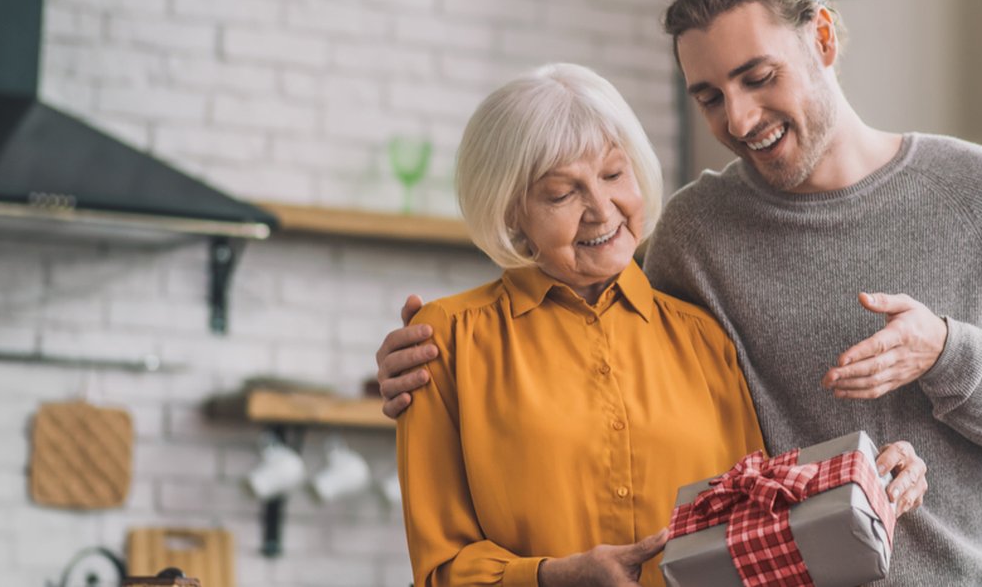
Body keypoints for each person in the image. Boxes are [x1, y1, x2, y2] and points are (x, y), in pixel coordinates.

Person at [379, 0, 982, 585]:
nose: (737, 118)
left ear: (823, 37)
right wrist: (428, 355)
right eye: (708, 95)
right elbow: (580, 305)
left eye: (758, 78)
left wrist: (949, 353)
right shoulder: (696, 232)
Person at [392, 62, 928, 587]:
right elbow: (441, 568)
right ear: (511, 213)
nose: (602, 210)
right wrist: (553, 578)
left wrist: (868, 477)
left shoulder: (702, 337)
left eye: (613, 174)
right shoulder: (446, 341)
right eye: (562, 193)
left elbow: (753, 523)